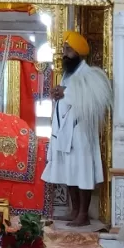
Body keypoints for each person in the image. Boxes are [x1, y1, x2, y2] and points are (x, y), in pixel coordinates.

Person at [42, 30, 113, 227]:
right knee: (69, 171)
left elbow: (93, 99)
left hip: (81, 133)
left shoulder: (90, 74)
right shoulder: (68, 74)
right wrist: (59, 92)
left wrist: (66, 92)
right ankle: (74, 210)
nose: (64, 54)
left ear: (78, 52)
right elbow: (65, 95)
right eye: (64, 49)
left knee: (82, 172)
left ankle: (84, 214)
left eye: (68, 50)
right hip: (65, 133)